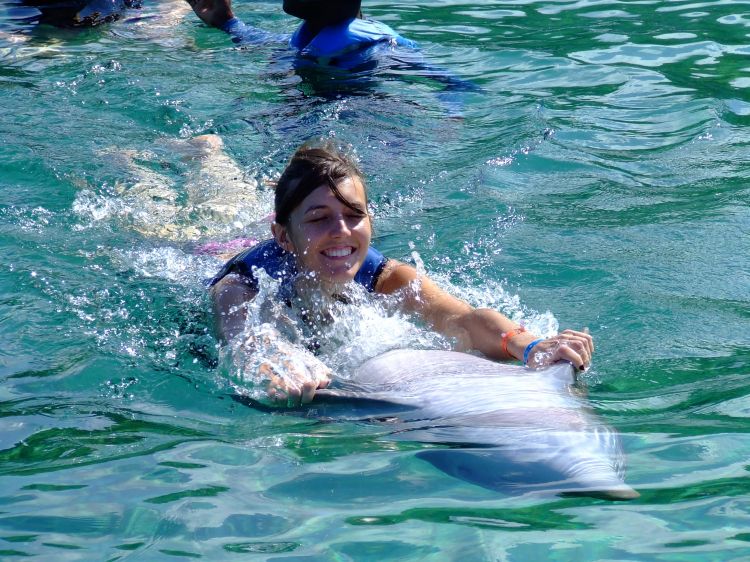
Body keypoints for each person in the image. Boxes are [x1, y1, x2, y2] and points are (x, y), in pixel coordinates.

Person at [209, 142, 595, 406]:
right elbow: (245, 339)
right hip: (211, 247)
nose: (342, 231)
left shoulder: (384, 276)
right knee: (207, 203)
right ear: (283, 236)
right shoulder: (243, 286)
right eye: (320, 218)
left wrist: (529, 346)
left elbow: (461, 318)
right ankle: (207, 154)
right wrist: (277, 359)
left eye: (354, 215)